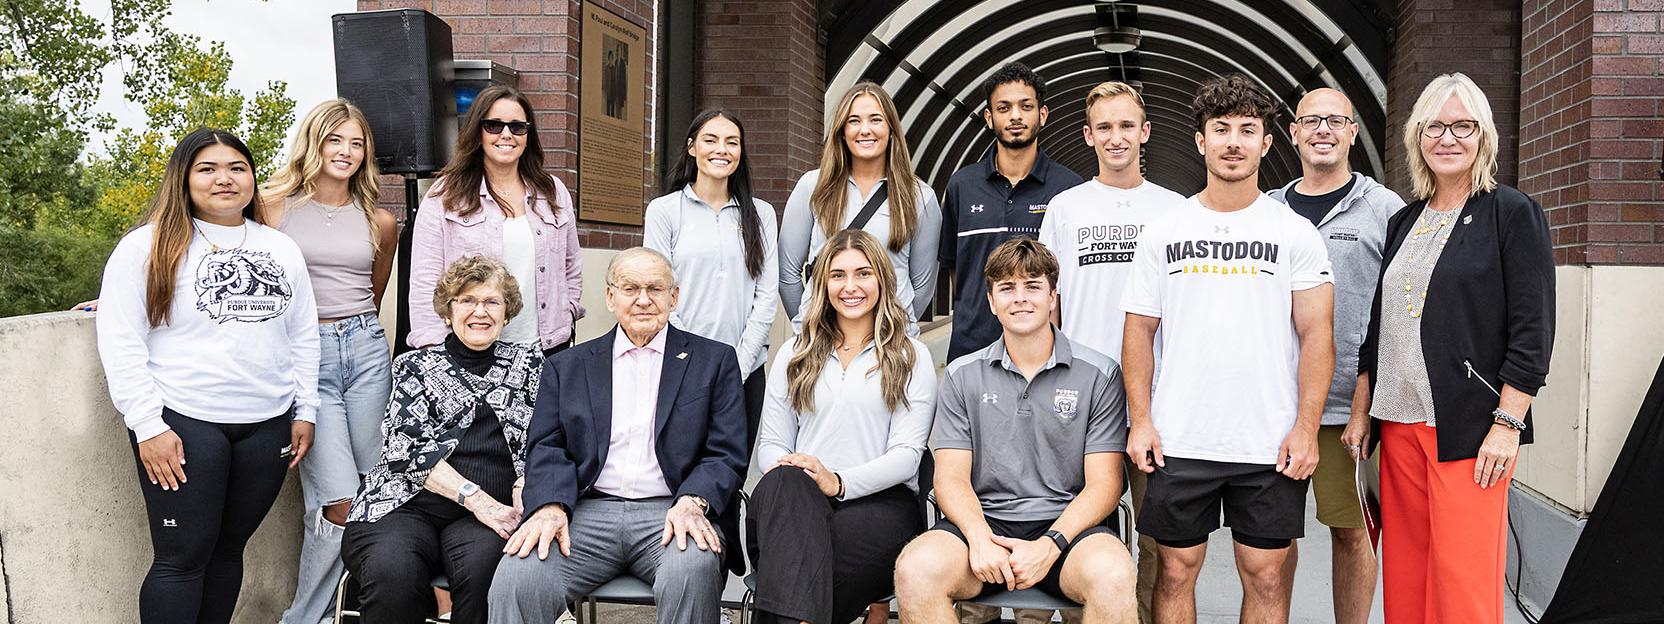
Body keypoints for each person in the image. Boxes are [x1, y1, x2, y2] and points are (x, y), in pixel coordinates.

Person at [1119, 74, 1335, 624]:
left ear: (1267, 142)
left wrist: (1306, 429)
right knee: (1175, 570)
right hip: (1179, 436)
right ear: (1200, 141)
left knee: (1265, 573)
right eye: (1221, 130)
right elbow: (1138, 331)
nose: (1233, 141)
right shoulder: (1164, 231)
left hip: (1268, 443)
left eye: (1247, 129)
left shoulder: (1294, 233)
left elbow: (1317, 336)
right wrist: (1140, 420)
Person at [1349, 72, 1554, 623]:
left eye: (1462, 125)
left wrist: (1507, 424)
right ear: (1418, 136)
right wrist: (1363, 410)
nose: (1448, 137)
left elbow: (1533, 331)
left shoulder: (1510, 213)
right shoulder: (1403, 220)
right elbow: (1380, 323)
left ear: (1482, 134)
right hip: (1397, 427)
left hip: (1469, 429)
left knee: (1461, 584)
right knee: (1408, 577)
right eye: (1435, 126)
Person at [95, 128, 320, 624]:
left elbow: (303, 336)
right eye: (208, 169)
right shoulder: (146, 246)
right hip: (184, 423)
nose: (225, 179)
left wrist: (306, 409)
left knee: (227, 551)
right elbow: (120, 339)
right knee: (181, 559)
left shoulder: (280, 248)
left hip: (267, 426)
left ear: (253, 178)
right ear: (184, 177)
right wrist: (148, 426)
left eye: (237, 168)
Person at [488, 248, 749, 624]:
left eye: (655, 289)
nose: (643, 299)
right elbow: (547, 446)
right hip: (586, 511)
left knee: (691, 570)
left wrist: (694, 501)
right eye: (630, 288)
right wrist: (548, 506)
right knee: (517, 578)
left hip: (673, 511)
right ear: (610, 297)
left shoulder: (714, 361)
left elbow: (725, 452)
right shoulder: (568, 366)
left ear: (673, 297)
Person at [894, 238, 1136, 624]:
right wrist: (978, 538)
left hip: (1067, 530)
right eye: (1007, 288)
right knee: (915, 569)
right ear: (991, 301)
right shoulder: (961, 375)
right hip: (984, 524)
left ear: (1053, 296)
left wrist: (1050, 544)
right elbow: (951, 478)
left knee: (1114, 577)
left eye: (1033, 286)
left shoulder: (1100, 374)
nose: (1020, 298)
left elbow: (1104, 485)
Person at [240, 98, 401, 624]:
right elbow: (205, 251)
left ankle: (374, 601)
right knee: (338, 498)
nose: (347, 152)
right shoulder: (270, 207)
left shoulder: (379, 221)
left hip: (366, 351)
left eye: (358, 144)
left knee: (380, 488)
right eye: (336, 139)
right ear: (314, 142)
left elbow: (371, 295)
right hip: (304, 358)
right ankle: (304, 617)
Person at [1037, 80, 1185, 624]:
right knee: (1076, 522)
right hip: (1080, 394)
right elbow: (1049, 303)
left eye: (1127, 125)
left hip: (1156, 399)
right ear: (1088, 136)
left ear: (1145, 133)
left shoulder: (1174, 211)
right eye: (1105, 127)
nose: (1116, 137)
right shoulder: (1065, 208)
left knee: (1158, 536)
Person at [1265, 87, 1404, 624]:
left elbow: (1397, 311)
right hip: (1276, 406)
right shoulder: (1268, 209)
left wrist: (1368, 404)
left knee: (1352, 533)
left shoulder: (1385, 210)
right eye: (1311, 121)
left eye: (1336, 121)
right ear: (1294, 133)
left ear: (1352, 132)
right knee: (1272, 538)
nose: (1323, 130)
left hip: (1349, 410)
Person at [341, 256, 542, 624]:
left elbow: (547, 438)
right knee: (393, 576)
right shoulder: (413, 365)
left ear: (507, 312)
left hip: (491, 516)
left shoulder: (530, 365)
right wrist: (477, 500)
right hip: (404, 505)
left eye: (491, 302)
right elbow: (407, 449)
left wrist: (527, 482)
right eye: (467, 301)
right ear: (448, 312)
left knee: (489, 577)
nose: (479, 311)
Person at [749, 229, 936, 624]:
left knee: (796, 569)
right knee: (784, 485)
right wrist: (794, 468)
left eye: (862, 274)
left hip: (879, 506)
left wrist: (837, 481)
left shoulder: (910, 356)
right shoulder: (795, 352)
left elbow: (906, 457)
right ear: (822, 284)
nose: (850, 287)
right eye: (837, 275)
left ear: (882, 281)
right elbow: (770, 442)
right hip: (795, 503)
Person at [409, 85, 584, 355]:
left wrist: (567, 310)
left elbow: (571, 266)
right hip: (473, 351)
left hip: (547, 348)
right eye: (493, 125)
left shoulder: (553, 191)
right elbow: (424, 281)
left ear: (528, 135)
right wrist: (436, 350)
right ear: (477, 132)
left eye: (517, 127)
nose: (506, 135)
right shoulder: (445, 195)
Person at [644, 107, 778, 450]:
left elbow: (765, 295)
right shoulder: (665, 211)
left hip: (745, 368)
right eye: (711, 140)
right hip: (681, 365)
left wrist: (740, 364)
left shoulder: (761, 214)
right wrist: (692, 359)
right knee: (681, 468)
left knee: (731, 473)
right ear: (692, 147)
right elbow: (657, 289)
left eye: (732, 142)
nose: (722, 149)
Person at [942, 61, 1085, 362]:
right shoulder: (961, 185)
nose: (1016, 116)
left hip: (1044, 355)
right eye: (1004, 108)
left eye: (1026, 106)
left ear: (1042, 115)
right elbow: (958, 270)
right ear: (988, 117)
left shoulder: (1070, 189)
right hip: (972, 352)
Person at [778, 81, 942, 334]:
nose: (865, 130)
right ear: (842, 130)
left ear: (891, 129)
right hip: (823, 337)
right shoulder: (812, 186)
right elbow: (787, 273)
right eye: (854, 120)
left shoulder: (920, 196)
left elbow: (922, 286)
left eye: (876, 120)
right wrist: (809, 323)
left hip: (890, 341)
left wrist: (895, 328)